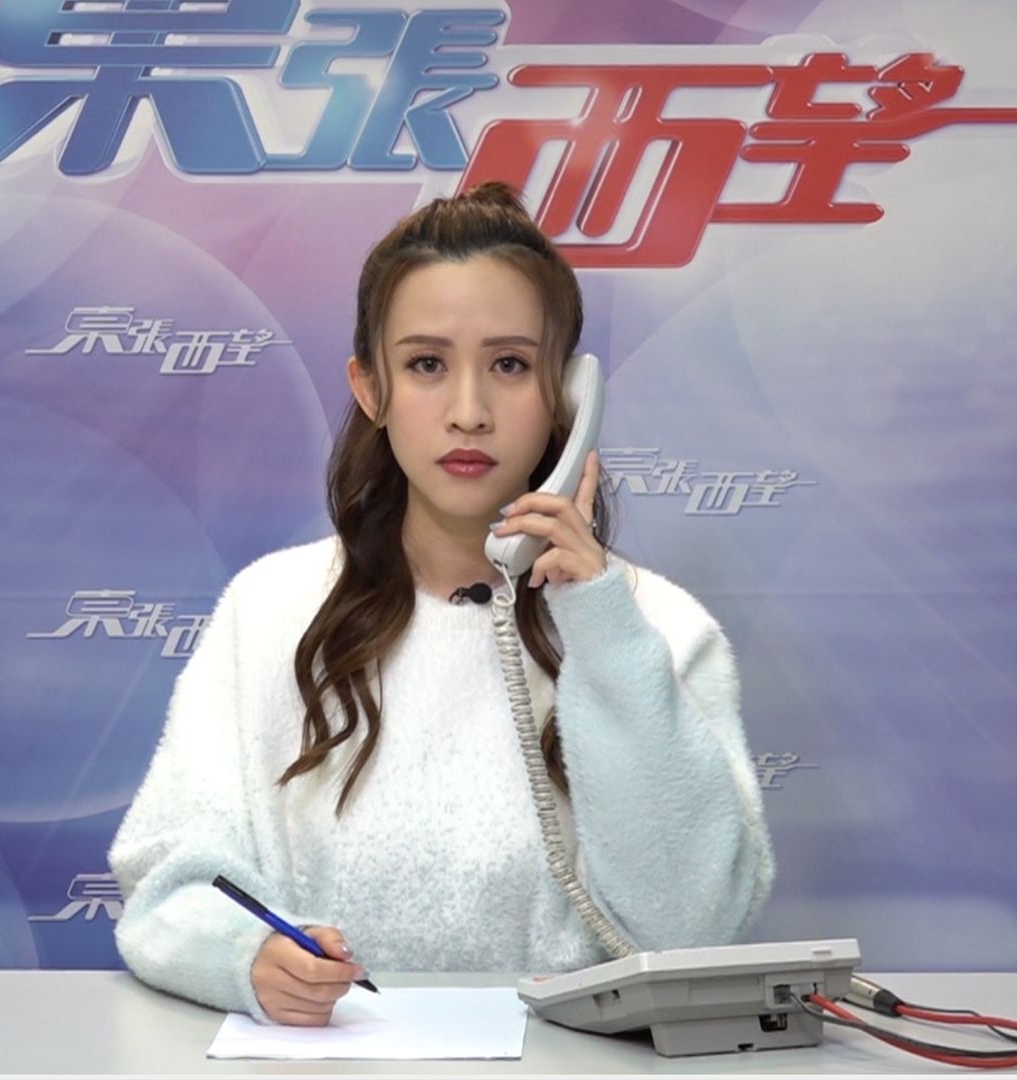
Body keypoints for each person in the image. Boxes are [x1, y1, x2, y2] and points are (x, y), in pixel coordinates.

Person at [108, 182, 774, 1026]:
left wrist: (601, 627)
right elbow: (170, 879)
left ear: (569, 395)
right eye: (426, 364)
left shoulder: (657, 627)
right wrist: (243, 956)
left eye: (510, 365)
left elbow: (690, 928)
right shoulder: (270, 609)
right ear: (370, 387)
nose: (469, 413)